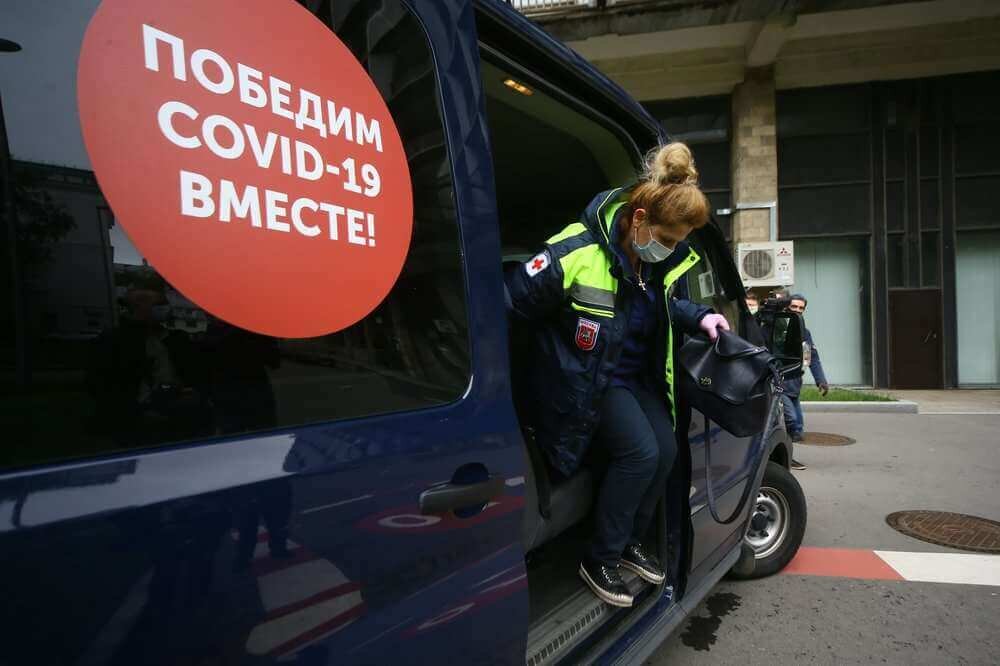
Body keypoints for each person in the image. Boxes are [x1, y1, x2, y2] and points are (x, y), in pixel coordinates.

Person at [505, 143, 729, 608]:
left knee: (666, 449)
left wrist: (699, 316)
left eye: (678, 242)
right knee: (641, 453)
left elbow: (663, 302)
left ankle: (627, 541)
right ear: (639, 217)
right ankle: (600, 556)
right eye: (668, 238)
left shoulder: (651, 260)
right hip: (588, 379)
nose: (672, 249)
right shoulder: (577, 251)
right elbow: (510, 301)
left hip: (630, 377)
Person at [783, 293, 828, 470]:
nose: (797, 311)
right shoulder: (776, 328)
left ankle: (786, 457)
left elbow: (812, 358)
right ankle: (783, 459)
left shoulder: (805, 333)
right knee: (791, 422)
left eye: (801, 308)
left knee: (798, 429)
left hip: (794, 386)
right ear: (786, 307)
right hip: (778, 385)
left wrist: (821, 381)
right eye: (794, 307)